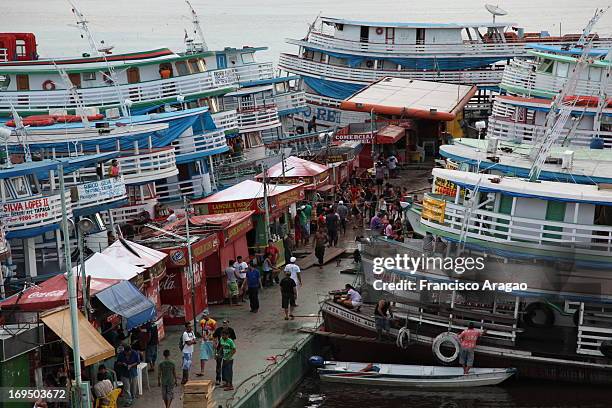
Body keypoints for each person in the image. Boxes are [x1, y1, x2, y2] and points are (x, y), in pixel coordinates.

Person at [213, 320, 237, 386]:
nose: (224, 325)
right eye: (223, 323)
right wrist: (216, 353)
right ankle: (219, 379)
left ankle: (228, 382)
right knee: (219, 366)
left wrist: (230, 354)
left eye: (225, 323)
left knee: (227, 368)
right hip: (221, 352)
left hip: (228, 354)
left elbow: (234, 345)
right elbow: (217, 341)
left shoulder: (231, 333)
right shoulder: (219, 332)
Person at [197, 312, 217, 377]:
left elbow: (214, 332)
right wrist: (202, 337)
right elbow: (201, 330)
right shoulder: (202, 322)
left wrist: (214, 341)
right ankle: (202, 371)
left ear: (208, 315)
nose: (204, 317)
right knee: (202, 355)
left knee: (214, 355)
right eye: (203, 316)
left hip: (210, 341)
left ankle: (219, 368)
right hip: (204, 341)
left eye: (205, 315)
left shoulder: (213, 322)